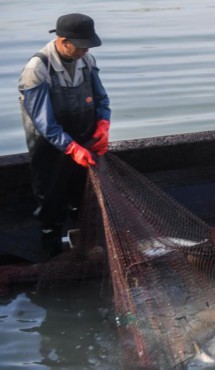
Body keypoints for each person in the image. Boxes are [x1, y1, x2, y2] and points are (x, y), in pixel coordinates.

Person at [18, 13, 111, 258]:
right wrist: (71, 149)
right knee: (51, 200)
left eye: (88, 45)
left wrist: (103, 125)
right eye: (80, 46)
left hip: (85, 139)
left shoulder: (87, 60)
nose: (85, 50)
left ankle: (86, 246)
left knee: (83, 197)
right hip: (49, 149)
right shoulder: (37, 69)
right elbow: (44, 122)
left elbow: (101, 99)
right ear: (62, 41)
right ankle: (52, 254)